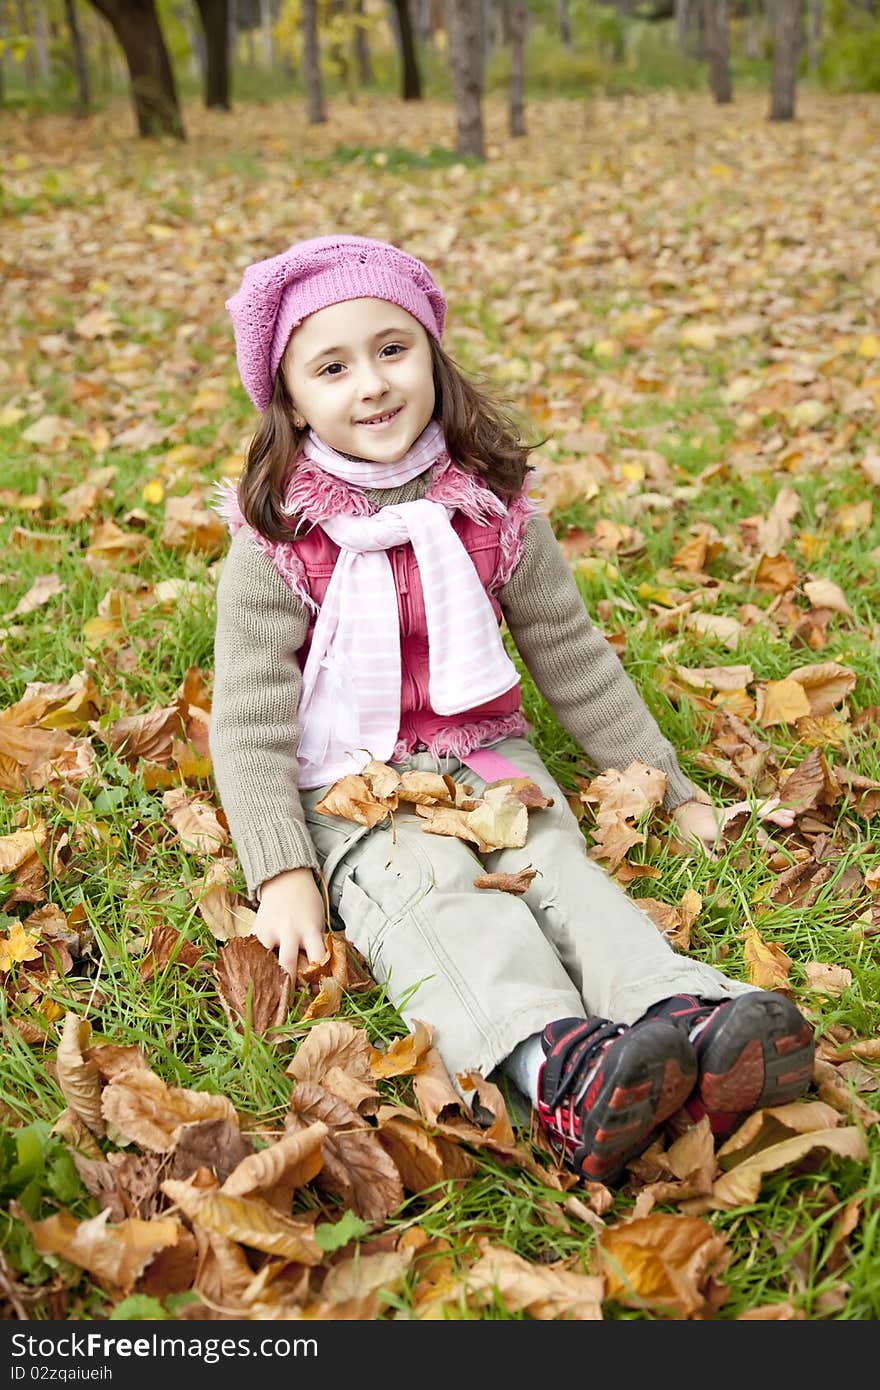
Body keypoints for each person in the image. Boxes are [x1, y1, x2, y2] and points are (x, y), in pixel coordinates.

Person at [210, 234, 815, 1185]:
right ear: (289, 399)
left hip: (485, 753)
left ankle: (682, 1015)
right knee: (434, 895)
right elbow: (248, 714)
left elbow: (571, 657)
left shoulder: (489, 507)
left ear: (433, 357)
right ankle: (556, 1065)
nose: (371, 384)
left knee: (554, 867)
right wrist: (281, 866)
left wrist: (668, 781)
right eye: (332, 367)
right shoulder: (282, 535)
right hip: (350, 782)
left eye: (392, 349)